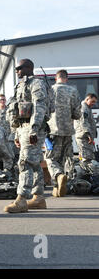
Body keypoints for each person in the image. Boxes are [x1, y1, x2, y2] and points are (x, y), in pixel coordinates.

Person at [4, 59, 49, 213]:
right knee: (35, 163)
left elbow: (39, 106)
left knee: (25, 162)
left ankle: (21, 199)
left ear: (29, 68)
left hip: (32, 129)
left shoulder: (36, 84)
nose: (17, 71)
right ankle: (38, 198)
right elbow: (17, 111)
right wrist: (16, 132)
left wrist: (34, 129)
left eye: (19, 68)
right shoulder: (21, 85)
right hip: (23, 128)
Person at [45, 70, 81, 198]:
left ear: (56, 78)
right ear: (66, 78)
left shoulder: (50, 90)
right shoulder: (73, 91)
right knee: (66, 158)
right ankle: (59, 186)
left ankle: (59, 176)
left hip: (52, 131)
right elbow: (77, 114)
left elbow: (43, 109)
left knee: (51, 158)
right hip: (68, 130)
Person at [75, 93, 99, 174]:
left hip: (85, 137)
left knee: (87, 157)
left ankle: (87, 177)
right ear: (87, 99)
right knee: (86, 158)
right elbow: (83, 123)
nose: (93, 104)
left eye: (95, 102)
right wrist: (89, 135)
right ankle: (85, 177)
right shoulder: (83, 108)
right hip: (84, 137)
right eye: (92, 101)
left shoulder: (87, 108)